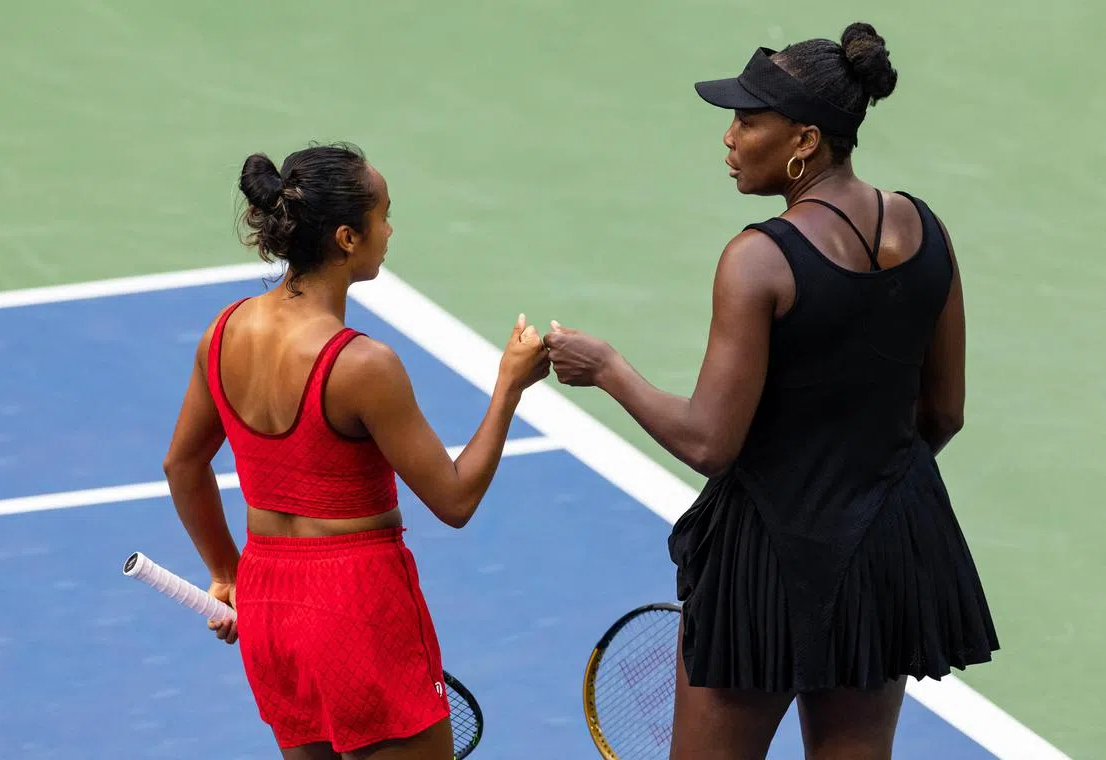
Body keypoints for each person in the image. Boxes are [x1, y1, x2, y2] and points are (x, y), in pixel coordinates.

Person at [543, 22, 999, 759]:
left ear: (805, 140)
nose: (730, 137)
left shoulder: (758, 260)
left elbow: (709, 442)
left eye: (749, 121)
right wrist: (862, 484)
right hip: (884, 553)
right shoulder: (927, 229)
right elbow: (944, 412)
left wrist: (606, 369)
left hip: (767, 563)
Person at [161, 142, 549, 760]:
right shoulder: (363, 365)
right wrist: (509, 386)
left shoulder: (222, 332)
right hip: (356, 607)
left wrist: (227, 574)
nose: (390, 230)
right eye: (383, 215)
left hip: (268, 606)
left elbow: (182, 465)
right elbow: (454, 500)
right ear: (346, 238)